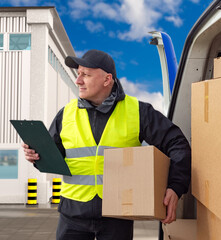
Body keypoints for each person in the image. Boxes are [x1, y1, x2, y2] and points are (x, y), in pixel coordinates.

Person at [22, 49, 191, 240]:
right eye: (78, 74)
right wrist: (36, 156)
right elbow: (54, 158)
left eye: (85, 75)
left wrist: (175, 187)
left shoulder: (138, 111)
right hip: (72, 215)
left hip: (118, 216)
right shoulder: (66, 114)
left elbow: (178, 143)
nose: (78, 81)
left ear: (107, 79)